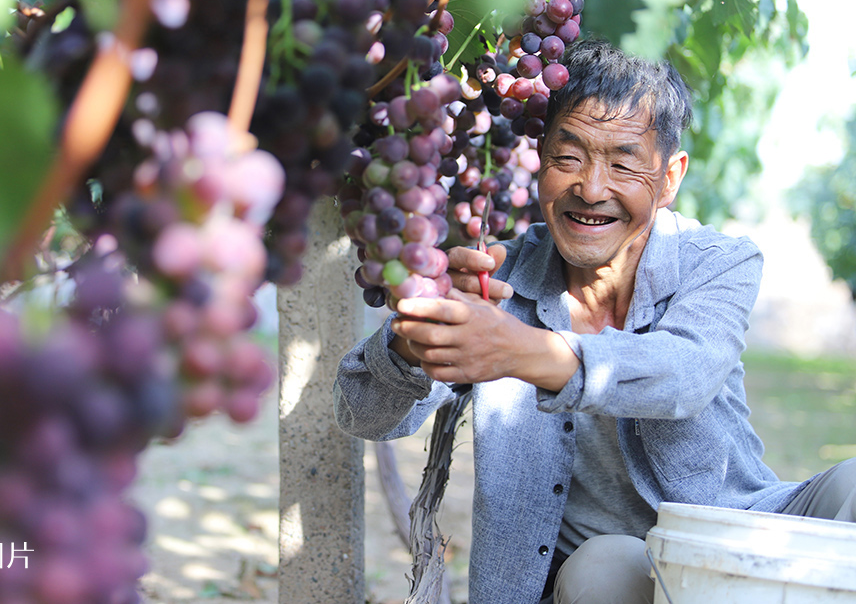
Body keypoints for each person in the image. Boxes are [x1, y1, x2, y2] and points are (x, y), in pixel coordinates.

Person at [333, 39, 856, 604]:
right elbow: (361, 413)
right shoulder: (496, 282)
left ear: (670, 178)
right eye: (569, 156)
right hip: (597, 582)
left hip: (735, 543)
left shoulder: (716, 261)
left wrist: (523, 352)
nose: (592, 187)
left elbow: (686, 374)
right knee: (607, 566)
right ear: (541, 160)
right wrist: (413, 348)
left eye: (624, 161)